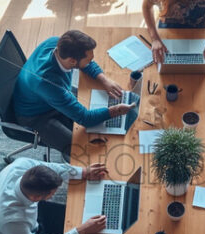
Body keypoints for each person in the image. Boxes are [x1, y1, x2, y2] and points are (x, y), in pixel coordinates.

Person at [13, 30, 132, 161]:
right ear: (72, 61)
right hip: (35, 116)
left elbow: (86, 64)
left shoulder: (56, 43)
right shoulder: (47, 83)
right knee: (82, 149)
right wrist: (115, 111)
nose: (91, 61)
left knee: (94, 122)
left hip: (49, 97)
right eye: (89, 59)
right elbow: (85, 118)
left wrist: (103, 79)